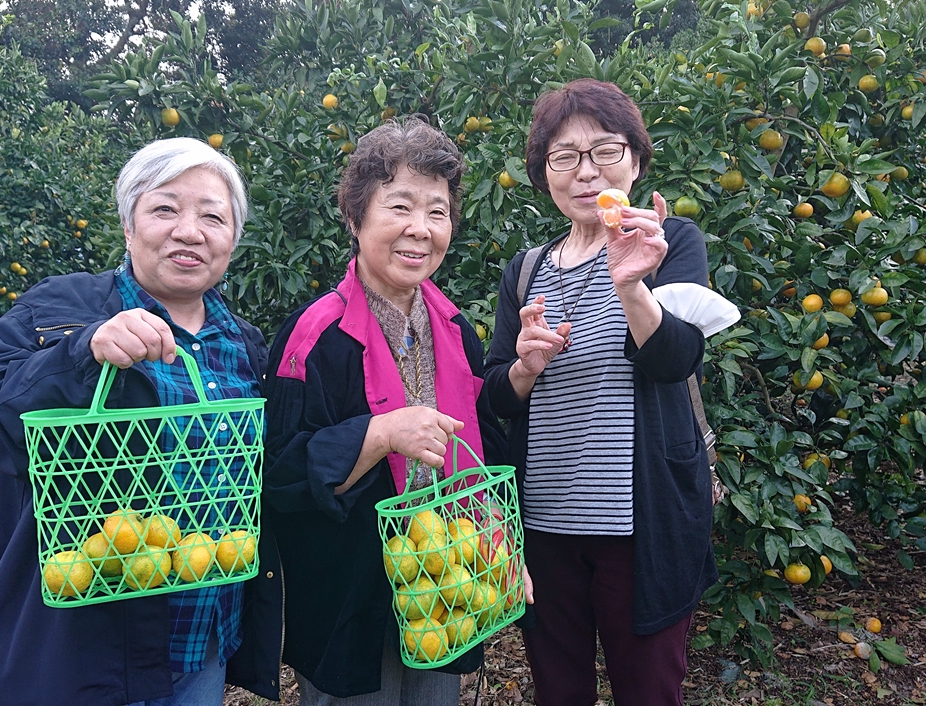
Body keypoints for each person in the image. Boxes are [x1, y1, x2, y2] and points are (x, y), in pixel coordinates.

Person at [0, 137, 281, 706]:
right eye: (165, 209)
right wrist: (81, 353)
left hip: (201, 639)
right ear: (129, 226)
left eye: (213, 217)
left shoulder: (244, 344)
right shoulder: (60, 309)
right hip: (84, 652)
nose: (189, 231)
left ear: (232, 239)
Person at [483, 78, 718, 705]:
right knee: (559, 692)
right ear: (545, 174)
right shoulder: (525, 271)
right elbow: (495, 398)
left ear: (635, 161)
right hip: (545, 529)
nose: (586, 172)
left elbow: (678, 359)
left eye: (606, 151)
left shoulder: (670, 243)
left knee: (649, 691)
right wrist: (525, 368)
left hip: (641, 530)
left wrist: (633, 286)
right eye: (565, 156)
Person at [262, 116, 512, 705]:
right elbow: (279, 473)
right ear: (355, 218)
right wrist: (377, 434)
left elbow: (484, 450)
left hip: (446, 588)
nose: (419, 229)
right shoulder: (314, 336)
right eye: (399, 206)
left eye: (437, 211)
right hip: (350, 599)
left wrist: (500, 553)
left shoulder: (455, 329)